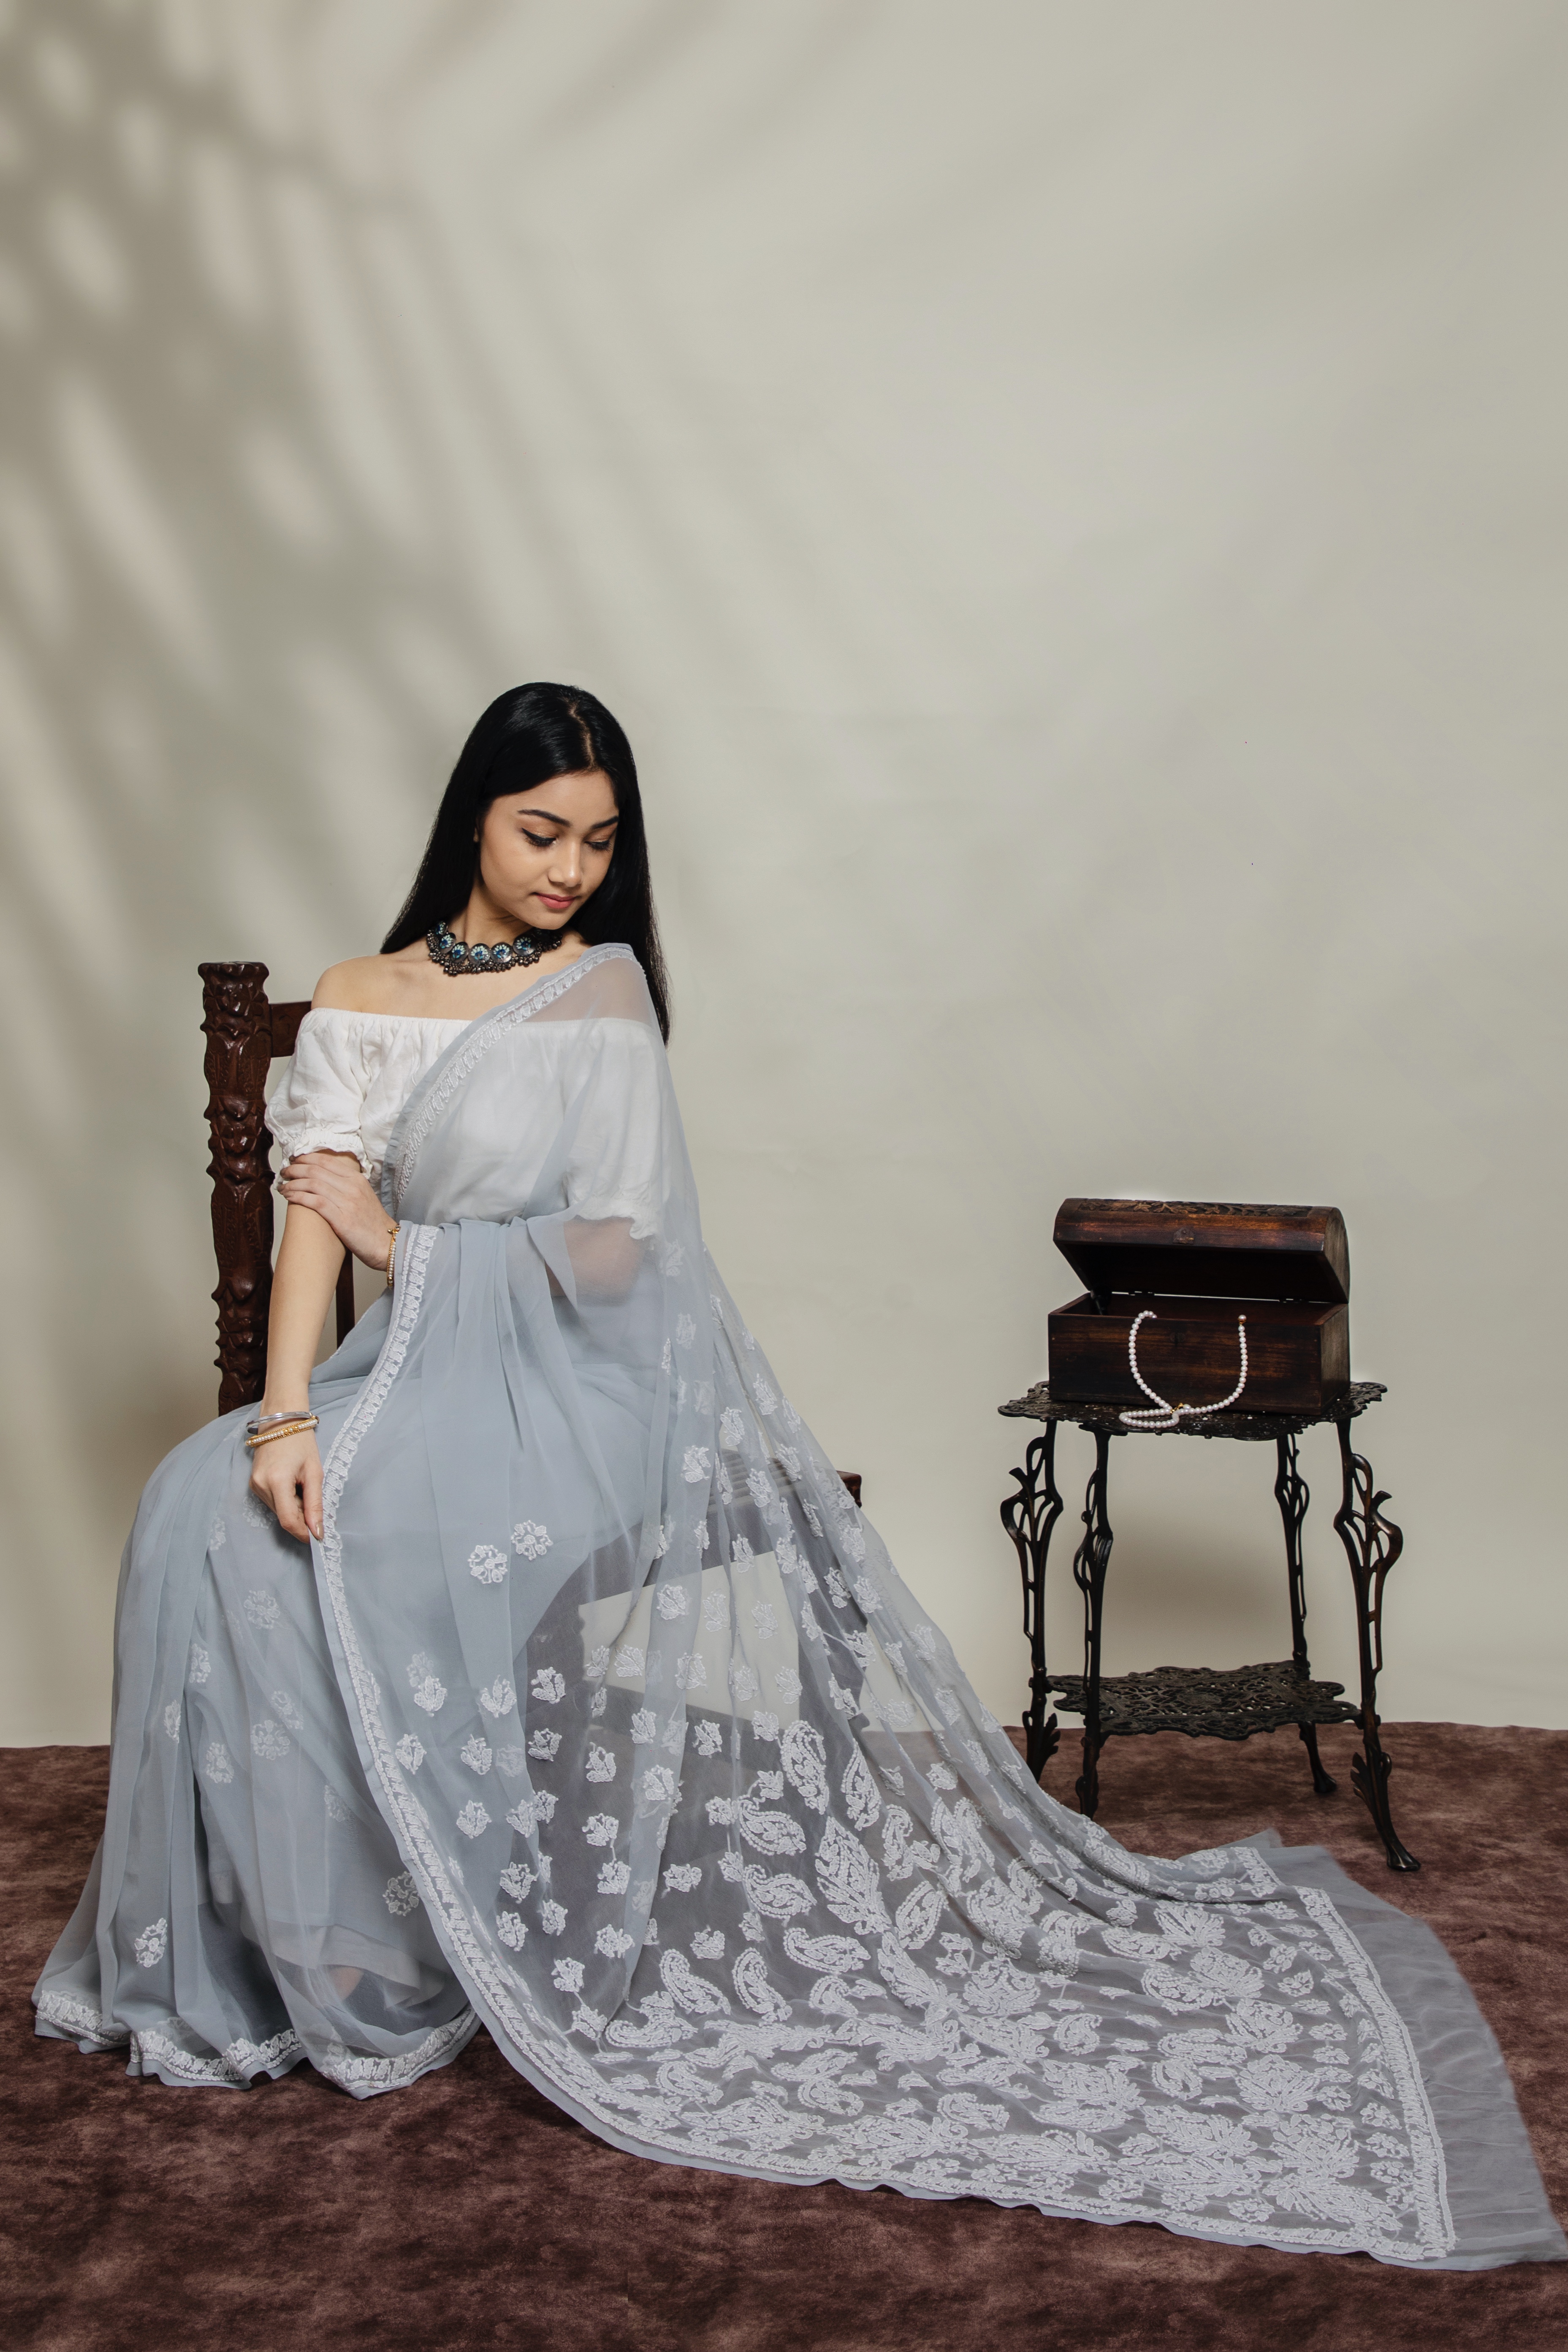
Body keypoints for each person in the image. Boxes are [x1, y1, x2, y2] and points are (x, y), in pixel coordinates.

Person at [35, 685, 1563, 2268]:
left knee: (375, 1543)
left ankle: (395, 1942)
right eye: (540, 832)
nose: (568, 870)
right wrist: (284, 1414)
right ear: (471, 817)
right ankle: (299, 1941)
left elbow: (615, 1259)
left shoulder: (598, 997)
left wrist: (406, 1242)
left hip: (579, 1390)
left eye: (599, 842)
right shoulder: (362, 995)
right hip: (409, 1372)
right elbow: (313, 1207)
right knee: (205, 1503)